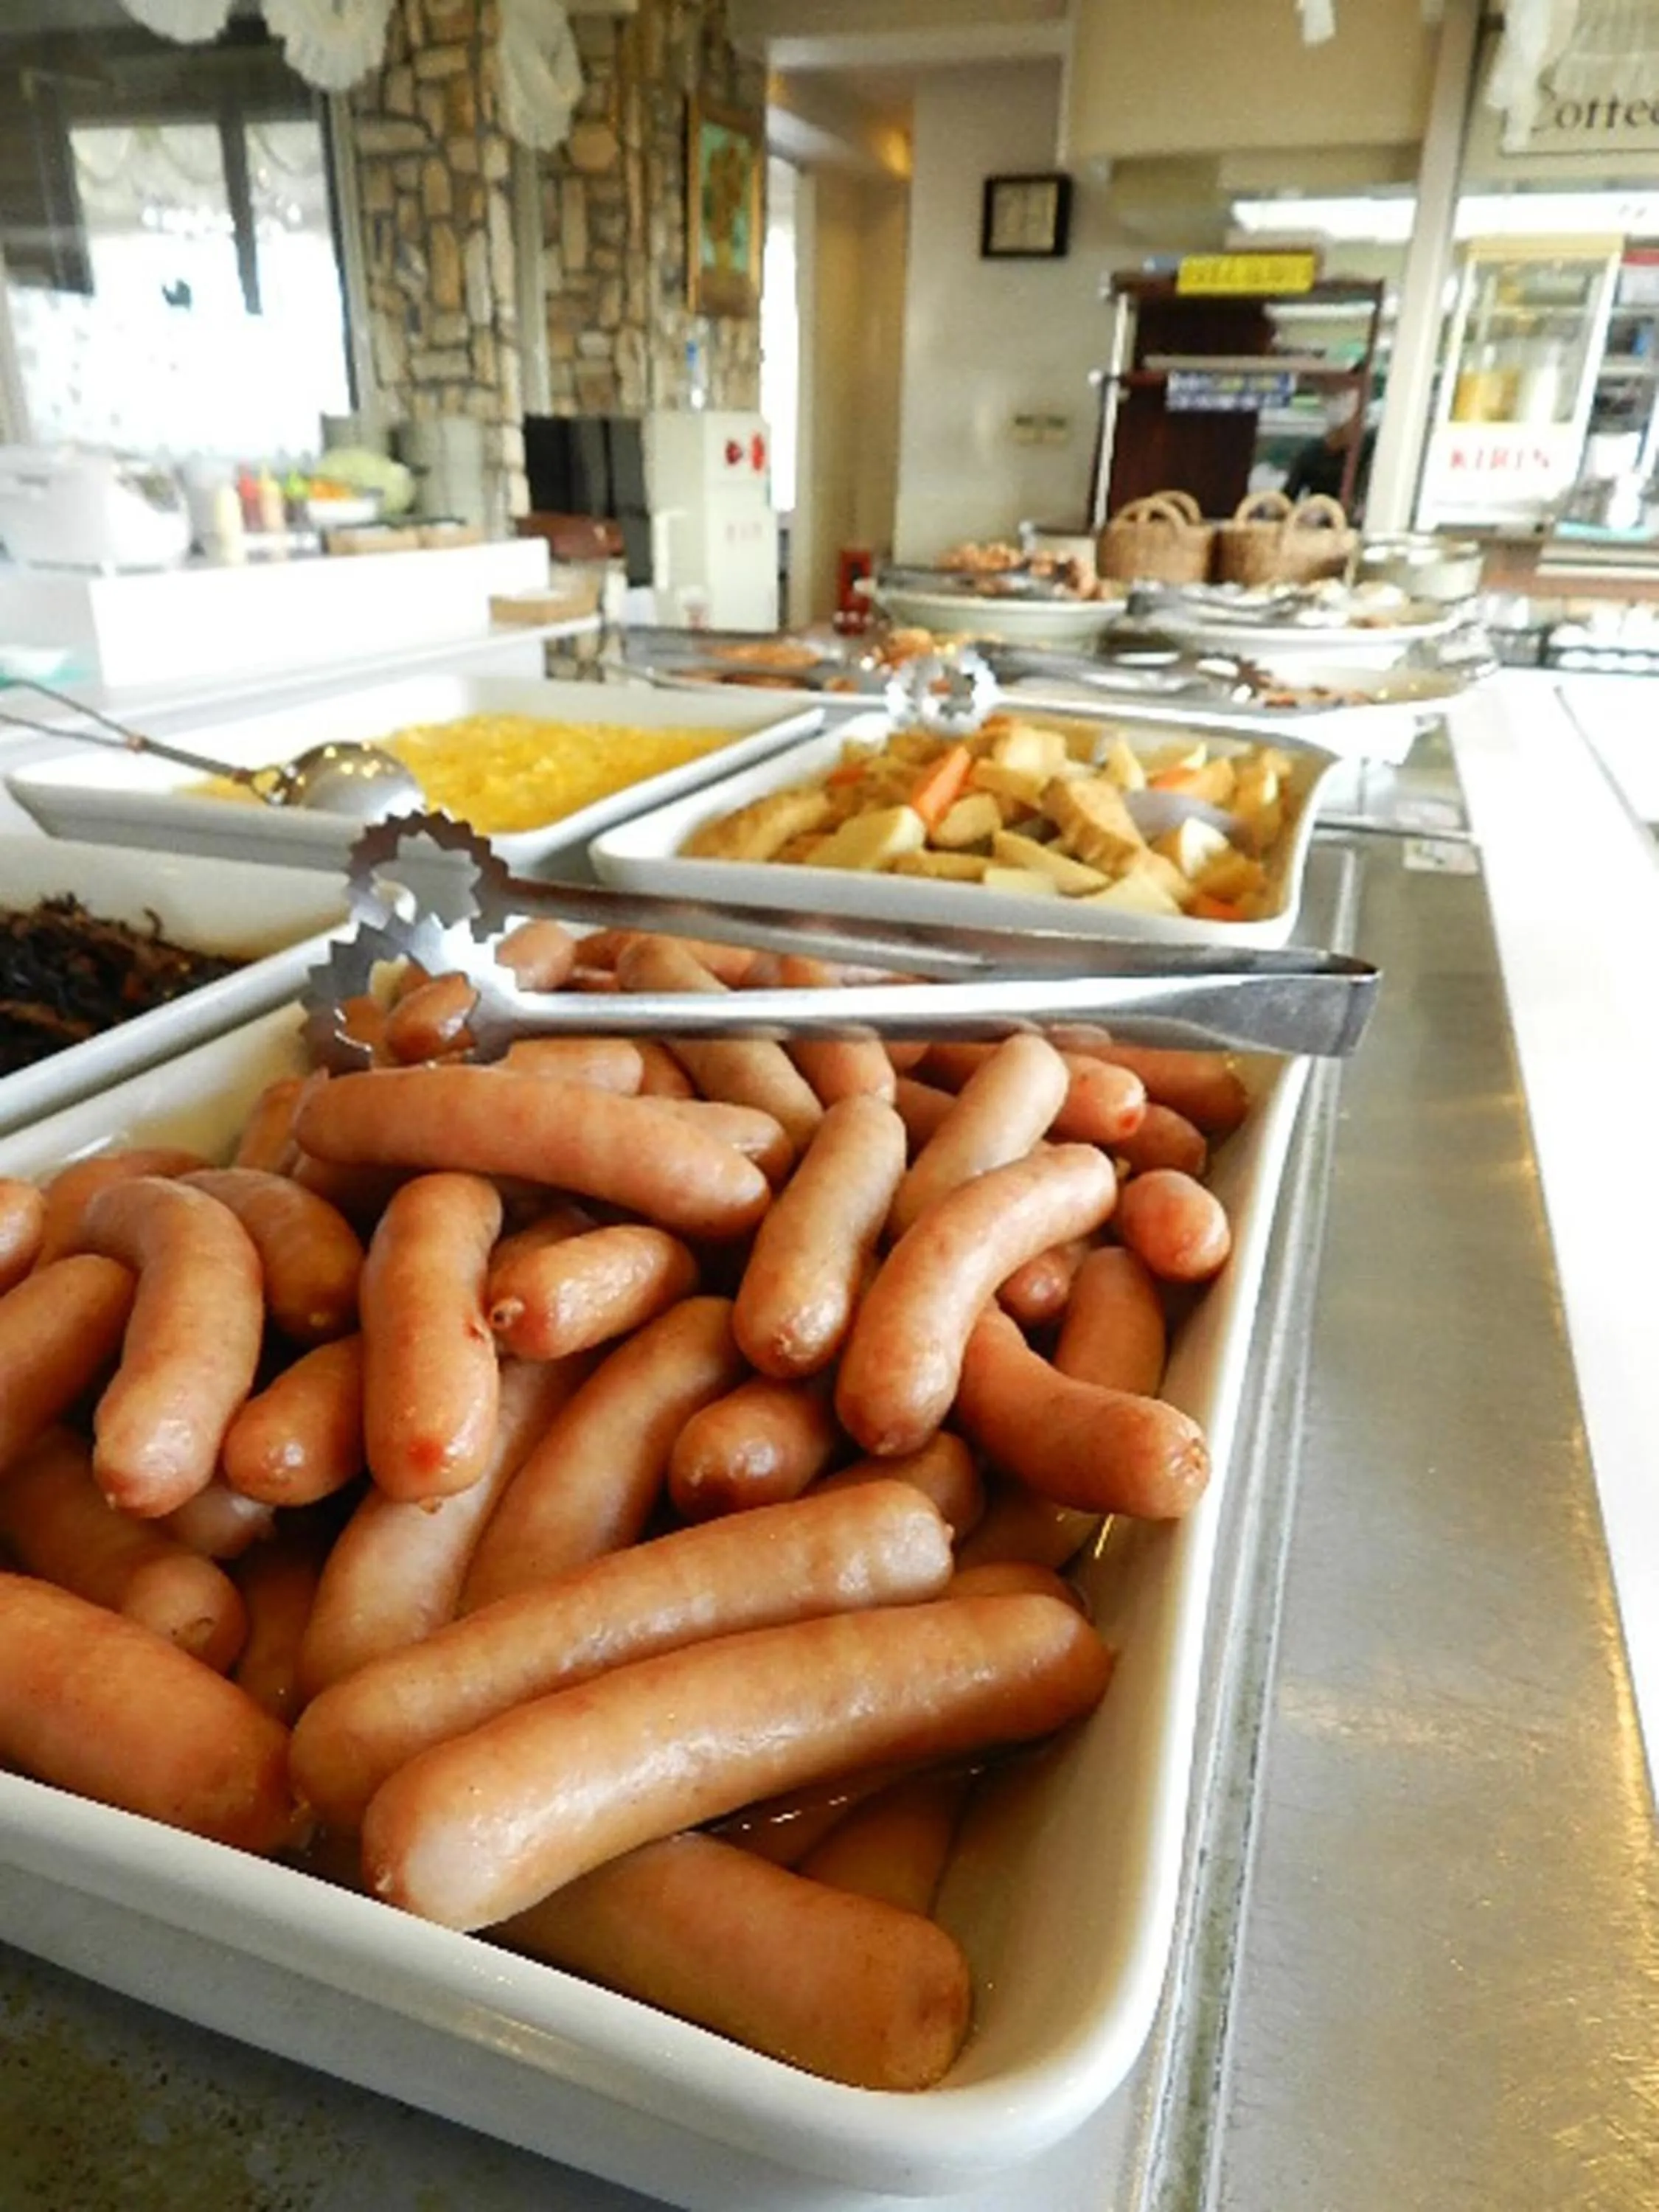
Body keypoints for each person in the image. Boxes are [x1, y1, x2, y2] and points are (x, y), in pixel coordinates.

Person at [1284, 388, 1376, 513]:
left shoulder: (1367, 448)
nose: (1360, 426)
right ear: (1339, 428)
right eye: (1355, 422)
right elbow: (1287, 497)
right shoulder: (1309, 456)